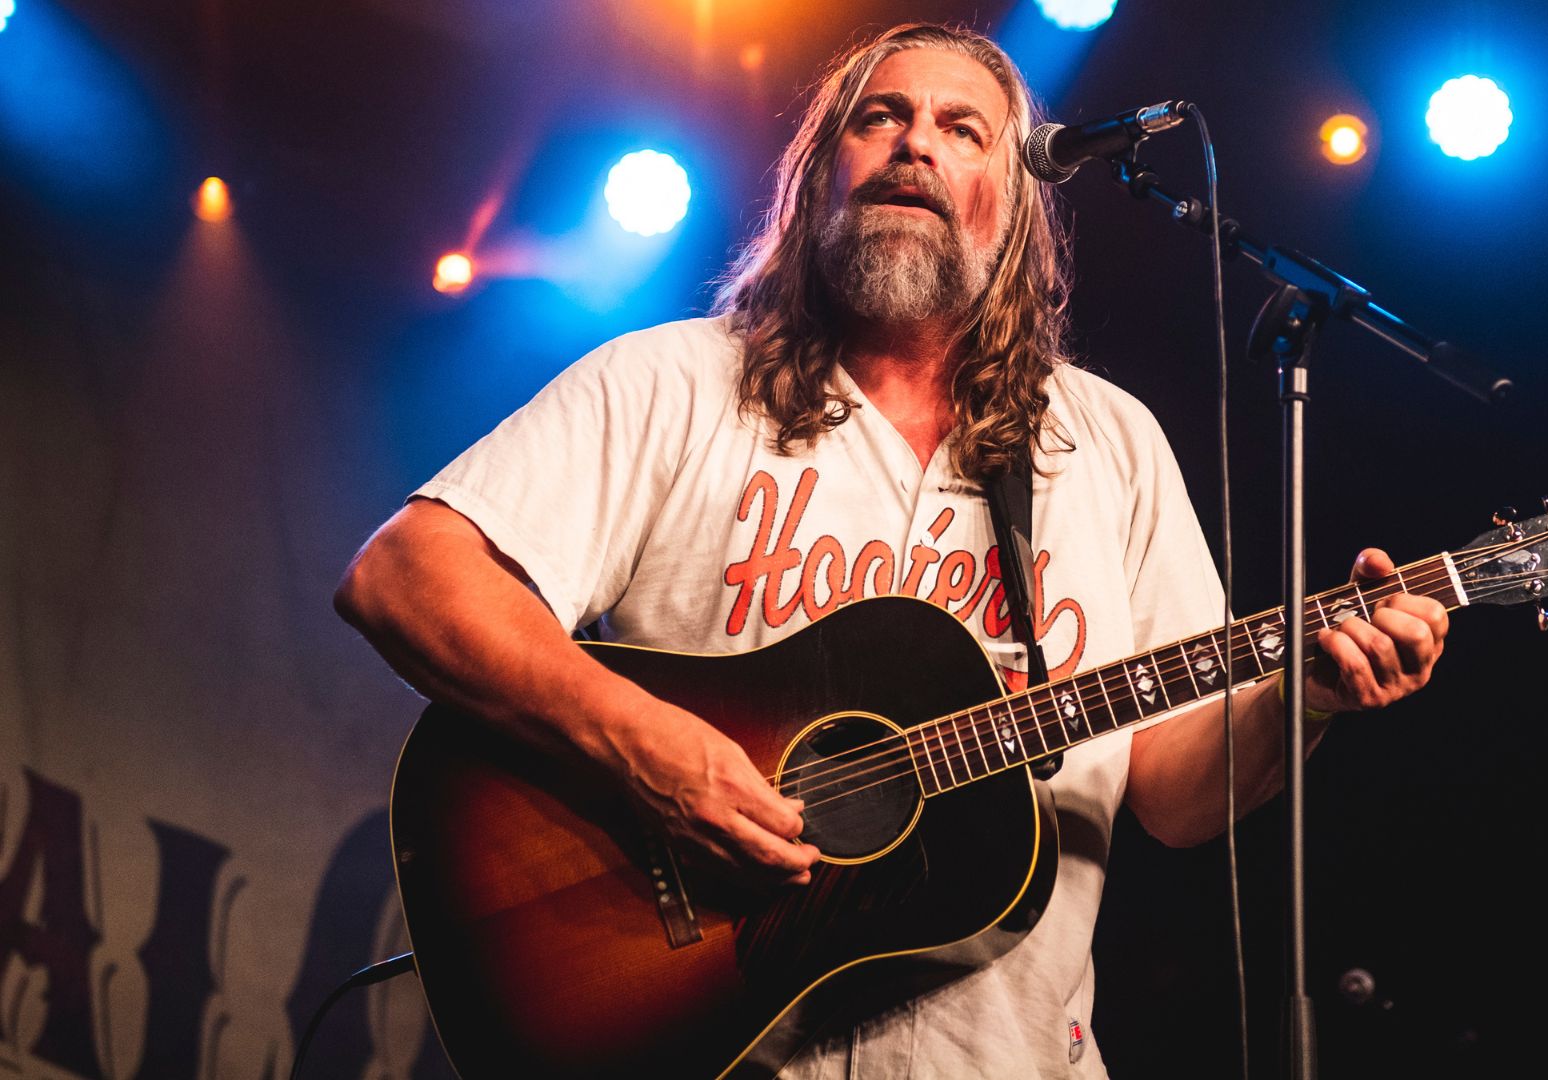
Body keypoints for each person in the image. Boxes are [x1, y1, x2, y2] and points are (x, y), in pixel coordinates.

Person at [335, 22, 1447, 1078]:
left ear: (1013, 207)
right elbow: (406, 574)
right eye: (880, 117)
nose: (917, 140)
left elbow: (1175, 795)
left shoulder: (1108, 444)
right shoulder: (671, 383)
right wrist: (647, 748)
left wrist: (1304, 699)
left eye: (963, 129)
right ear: (819, 173)